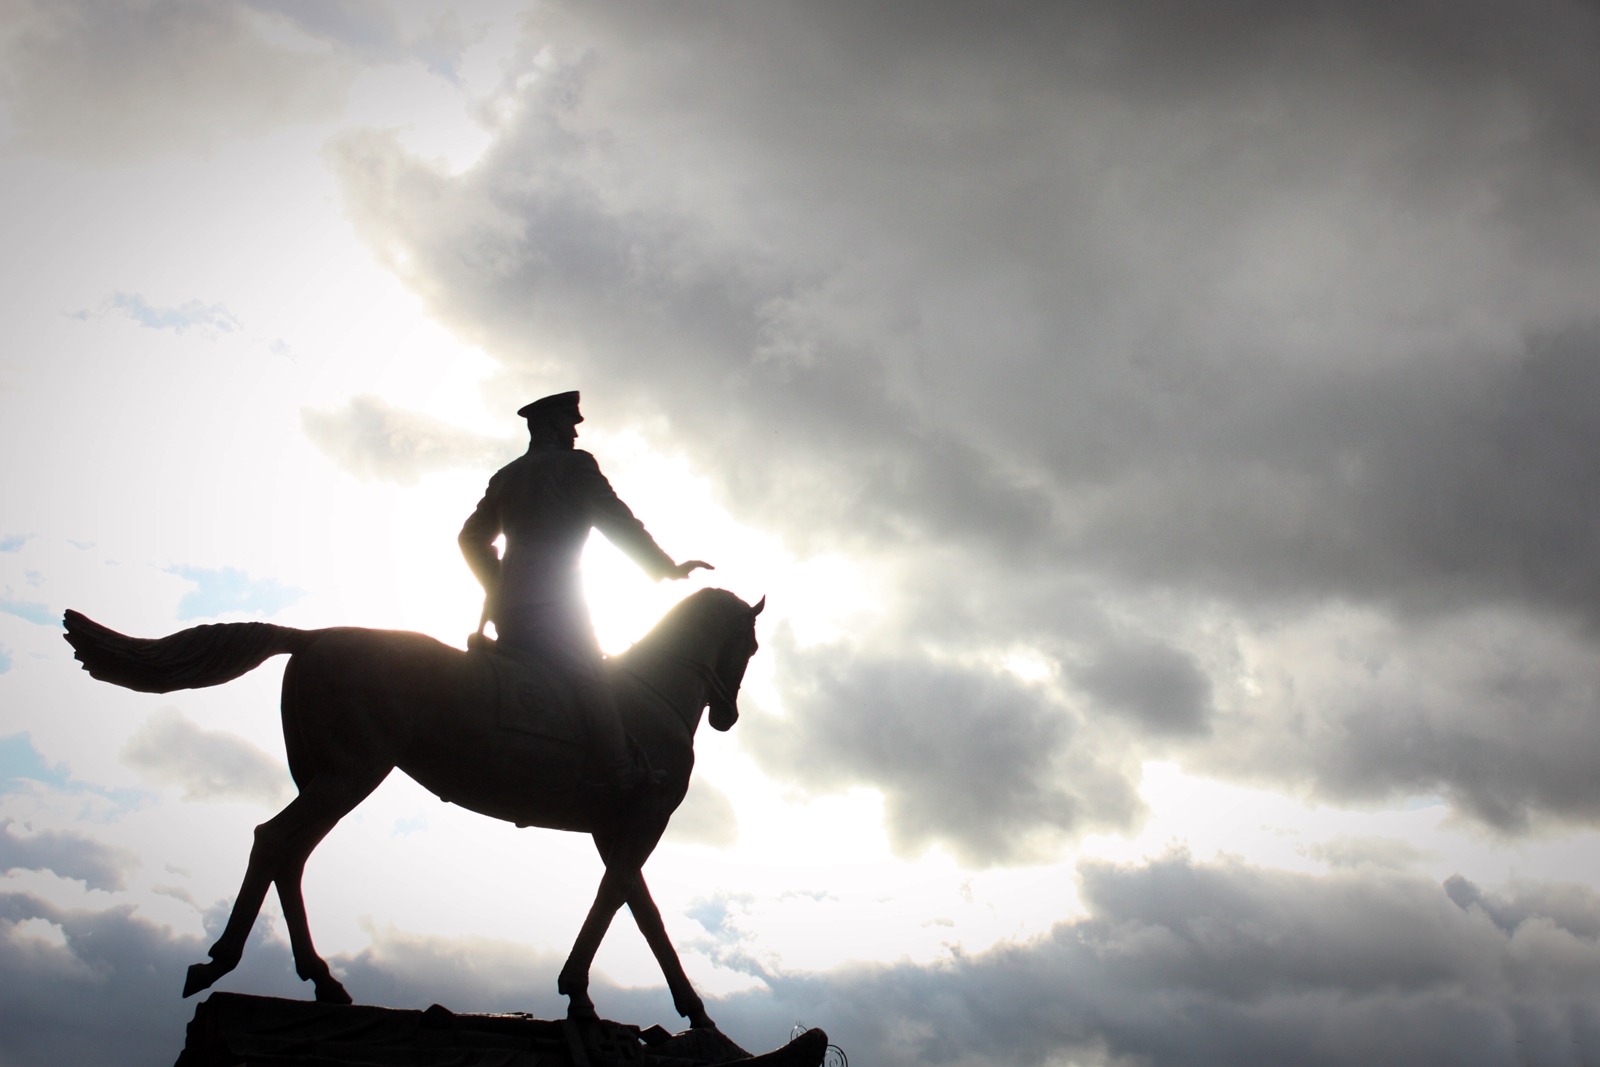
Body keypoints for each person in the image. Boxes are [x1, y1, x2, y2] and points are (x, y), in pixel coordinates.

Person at [459, 391, 711, 793]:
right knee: (591, 675)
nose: (576, 432)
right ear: (550, 423)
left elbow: (470, 538)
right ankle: (619, 771)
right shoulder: (575, 465)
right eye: (569, 421)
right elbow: (617, 520)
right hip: (557, 604)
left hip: (508, 611)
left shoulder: (506, 476)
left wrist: (498, 584)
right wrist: (664, 566)